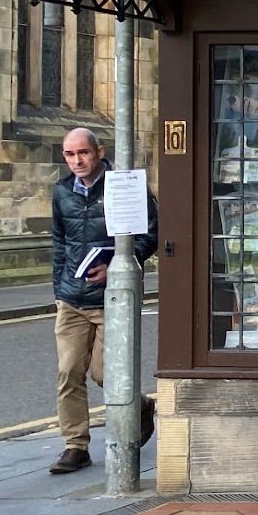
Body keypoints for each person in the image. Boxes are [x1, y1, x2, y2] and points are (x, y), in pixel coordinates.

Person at [48, 127, 158, 475]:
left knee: (105, 374)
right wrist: (58, 291)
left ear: (99, 151)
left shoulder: (124, 186)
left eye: (83, 153)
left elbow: (151, 233)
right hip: (71, 299)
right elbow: (58, 243)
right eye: (69, 154)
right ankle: (75, 446)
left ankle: (140, 407)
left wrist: (117, 266)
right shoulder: (62, 192)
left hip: (111, 299)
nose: (77, 161)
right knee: (68, 372)